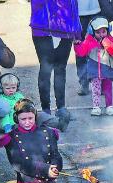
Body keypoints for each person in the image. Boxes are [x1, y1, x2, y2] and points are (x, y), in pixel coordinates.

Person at [31, 0, 81, 129]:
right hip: (43, 27)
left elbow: (73, 4)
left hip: (66, 28)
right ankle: (46, 110)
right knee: (46, 68)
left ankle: (61, 108)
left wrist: (77, 31)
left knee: (60, 68)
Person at [74, 17, 113, 116]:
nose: (101, 34)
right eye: (98, 32)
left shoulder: (110, 39)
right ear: (92, 31)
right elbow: (81, 53)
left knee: (108, 90)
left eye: (103, 32)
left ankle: (109, 106)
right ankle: (96, 107)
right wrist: (77, 45)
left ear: (108, 30)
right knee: (96, 91)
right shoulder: (89, 40)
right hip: (94, 71)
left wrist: (107, 43)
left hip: (107, 70)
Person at [75, 0, 102, 96]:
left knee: (99, 48)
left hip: (98, 10)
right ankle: (84, 83)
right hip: (78, 12)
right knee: (80, 49)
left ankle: (101, 82)